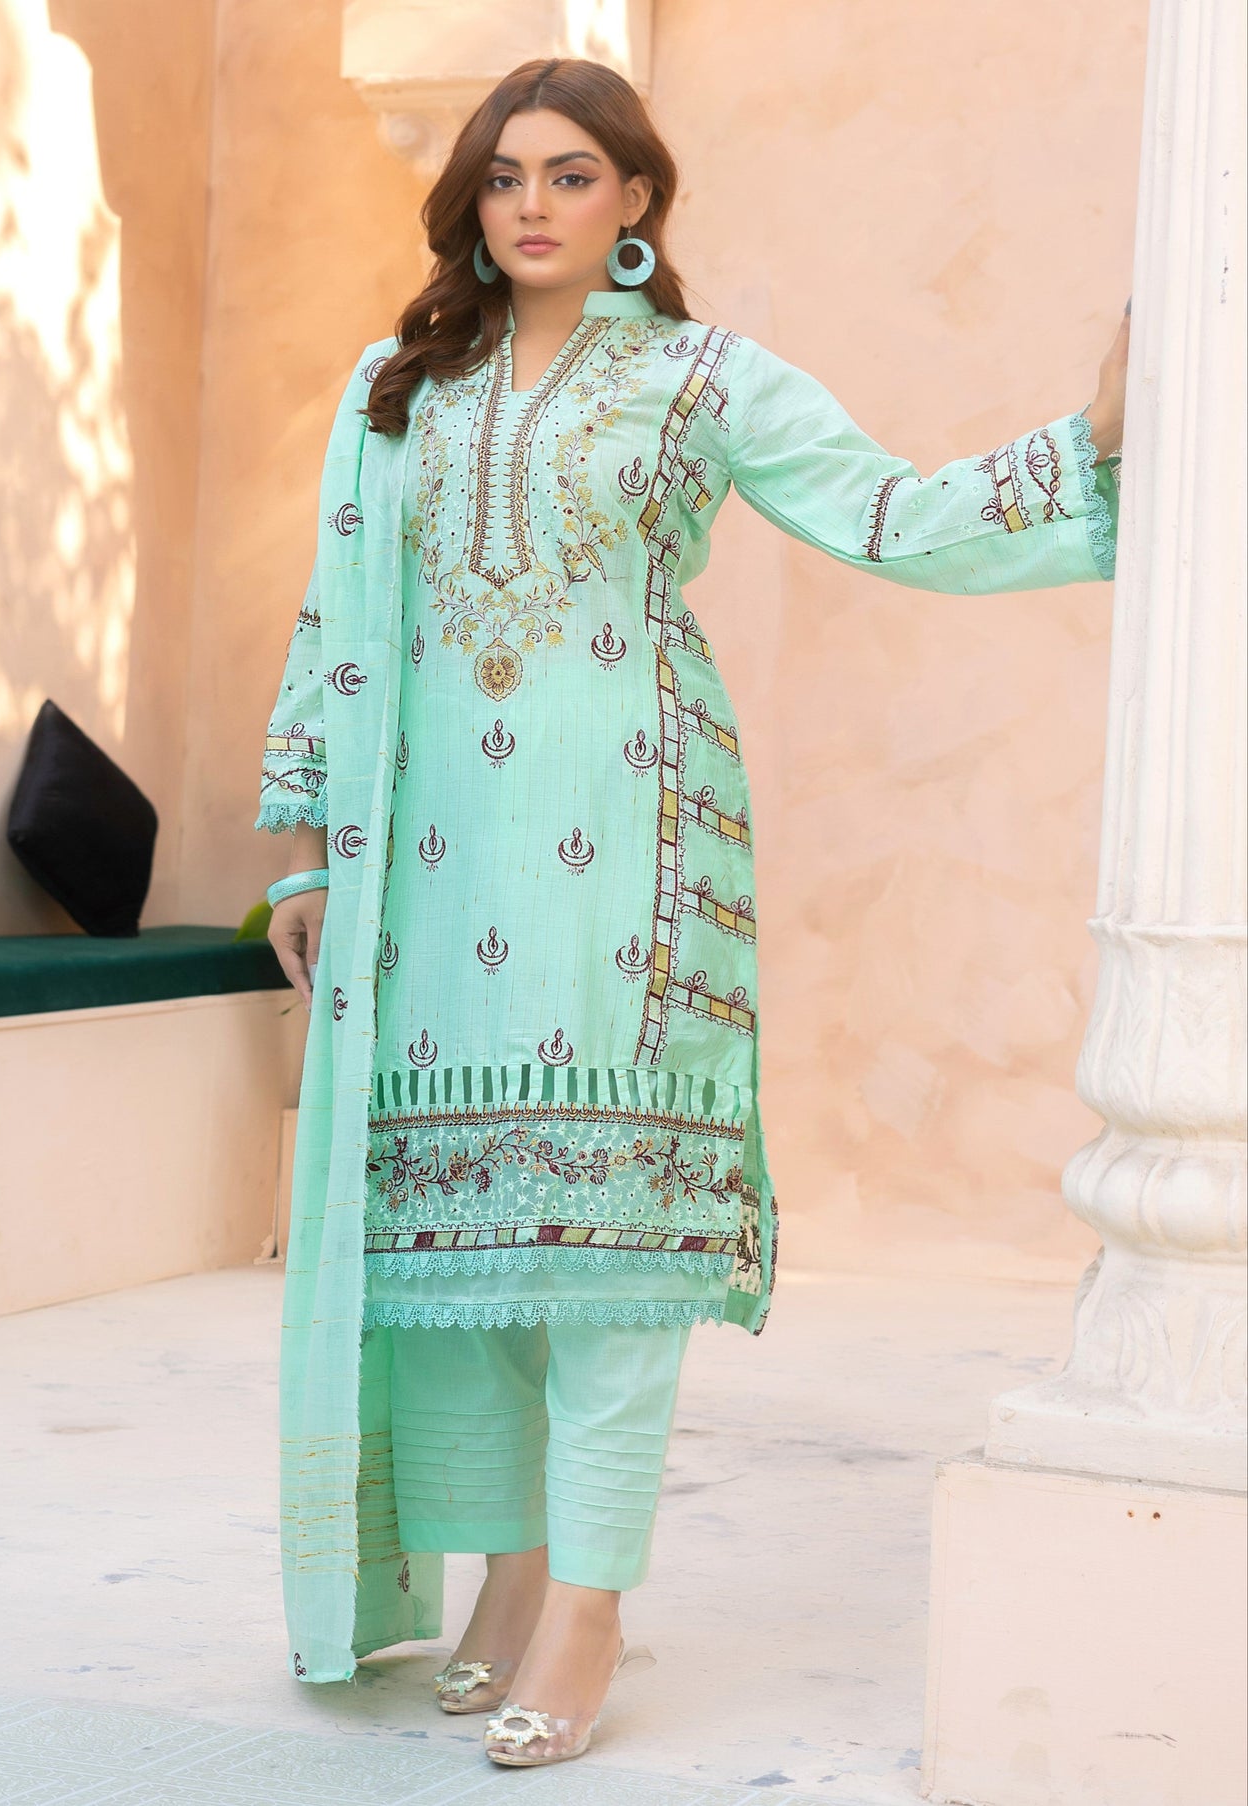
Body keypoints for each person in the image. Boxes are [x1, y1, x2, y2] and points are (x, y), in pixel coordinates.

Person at [255, 56, 1129, 1769]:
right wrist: (299, 844)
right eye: (504, 176)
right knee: (446, 1250)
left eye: (570, 175)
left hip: (631, 851)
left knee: (610, 1250)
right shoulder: (398, 385)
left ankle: (587, 1605)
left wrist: (1083, 445)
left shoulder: (701, 380)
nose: (531, 206)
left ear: (637, 199)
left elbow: (887, 511)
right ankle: (507, 1571)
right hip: (429, 859)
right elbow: (333, 611)